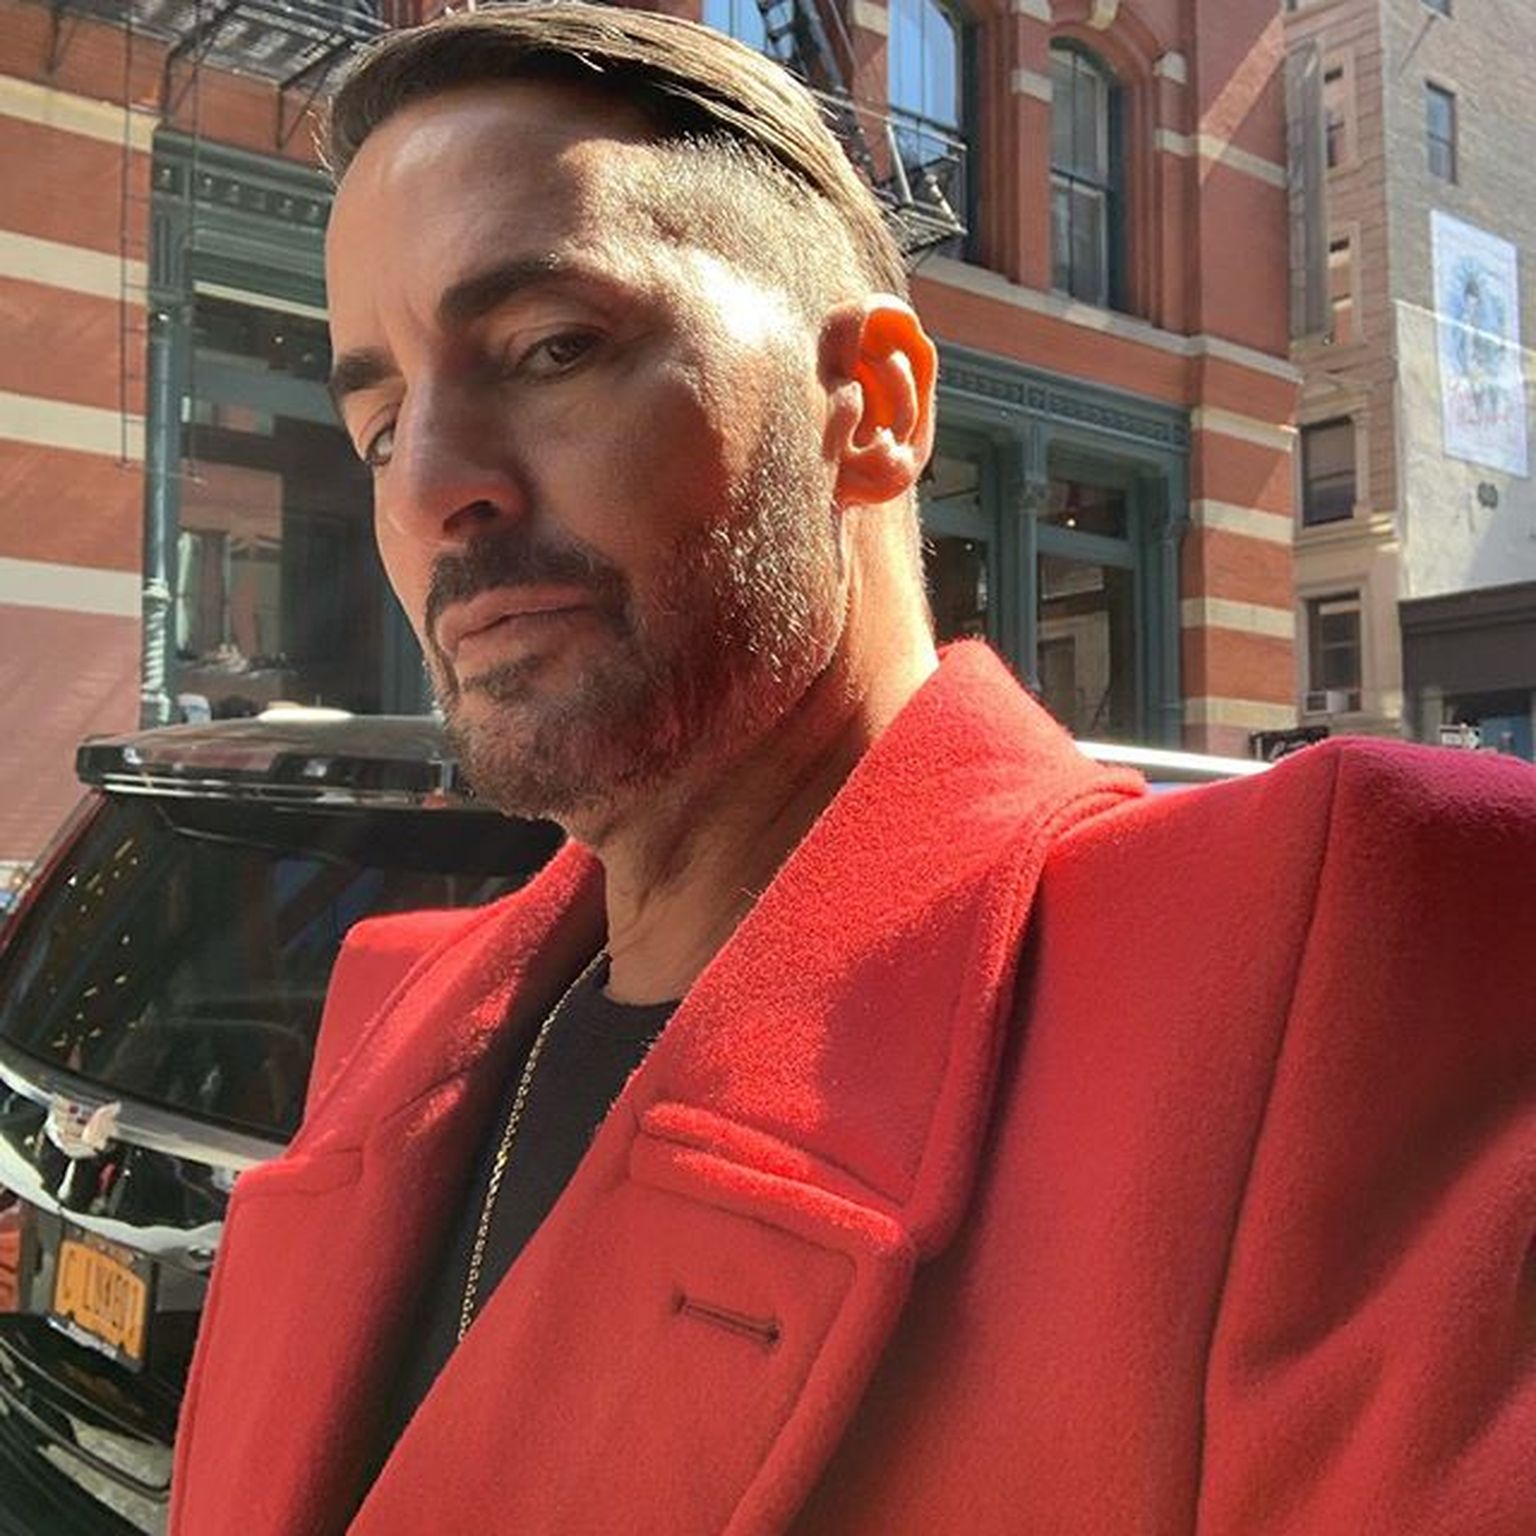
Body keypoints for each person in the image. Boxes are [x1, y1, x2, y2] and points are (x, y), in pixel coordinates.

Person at [170, 8, 1536, 1533]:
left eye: (554, 348)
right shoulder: (398, 1013)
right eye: (378, 426)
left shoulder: (1303, 990)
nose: (430, 486)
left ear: (873, 406)